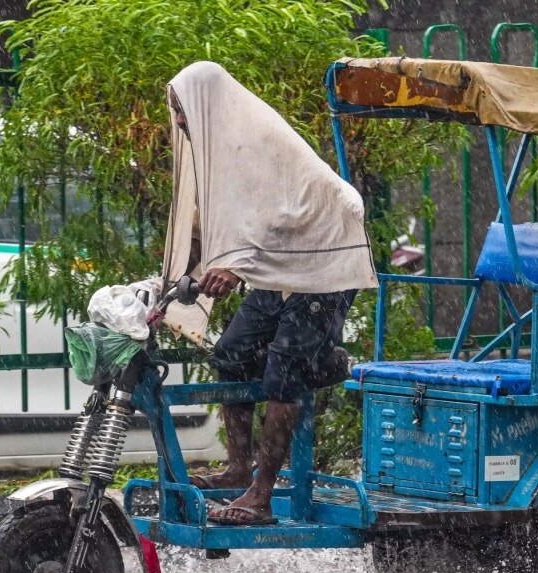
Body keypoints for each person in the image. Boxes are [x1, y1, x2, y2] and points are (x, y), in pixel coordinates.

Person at [160, 61, 378, 526]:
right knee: (232, 353)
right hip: (279, 268)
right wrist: (162, 284)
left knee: (284, 370)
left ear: (206, 105)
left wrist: (236, 266)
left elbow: (280, 212)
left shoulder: (253, 138)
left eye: (184, 111)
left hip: (323, 259)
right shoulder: (215, 155)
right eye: (176, 111)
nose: (179, 121)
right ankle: (238, 468)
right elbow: (206, 227)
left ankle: (260, 494)